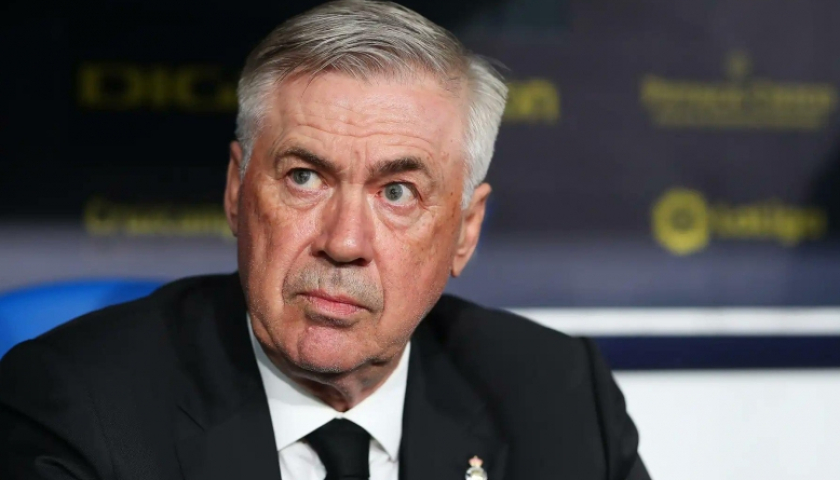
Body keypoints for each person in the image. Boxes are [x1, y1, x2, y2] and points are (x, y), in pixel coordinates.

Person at [0, 1, 650, 479]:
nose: (343, 243)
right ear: (237, 190)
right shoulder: (77, 409)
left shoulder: (559, 400)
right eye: (305, 177)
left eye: (398, 192)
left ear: (465, 231)